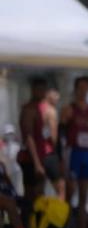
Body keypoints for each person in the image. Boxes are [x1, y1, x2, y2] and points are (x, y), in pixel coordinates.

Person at [61, 76, 88, 228]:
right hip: (74, 153)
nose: (83, 90)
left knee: (84, 196)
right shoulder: (69, 109)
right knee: (70, 193)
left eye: (86, 87)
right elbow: (61, 132)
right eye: (81, 87)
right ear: (76, 89)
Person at [17, 78, 65, 217]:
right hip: (33, 157)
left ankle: (55, 221)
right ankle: (28, 227)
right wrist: (37, 162)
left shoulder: (48, 109)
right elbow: (28, 137)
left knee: (49, 189)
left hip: (47, 155)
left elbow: (54, 137)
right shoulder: (30, 110)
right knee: (32, 193)